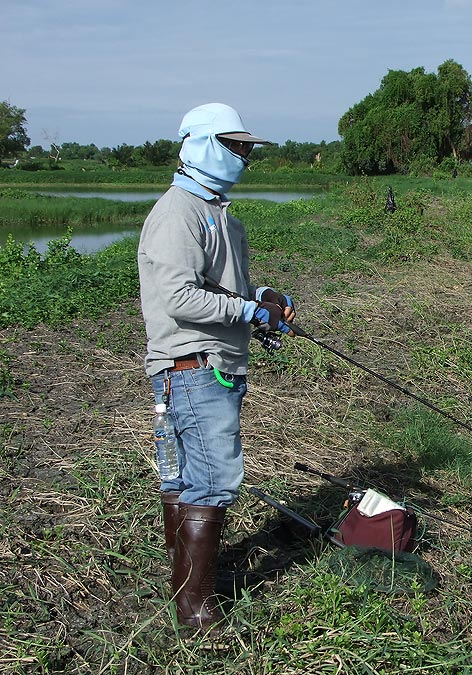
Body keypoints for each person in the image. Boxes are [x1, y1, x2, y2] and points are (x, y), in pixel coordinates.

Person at [137, 103, 296, 630]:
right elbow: (181, 296)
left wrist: (265, 296)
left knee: (186, 481)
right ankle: (196, 609)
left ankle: (187, 590)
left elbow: (226, 287)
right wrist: (248, 310)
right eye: (236, 146)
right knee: (211, 480)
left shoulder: (221, 214)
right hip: (192, 367)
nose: (245, 156)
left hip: (214, 364)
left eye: (248, 148)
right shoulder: (177, 212)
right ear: (203, 145)